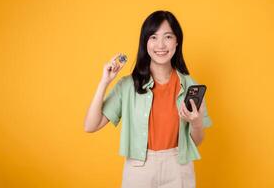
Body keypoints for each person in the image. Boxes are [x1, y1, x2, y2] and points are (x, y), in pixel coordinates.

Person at [84, 10, 212, 188]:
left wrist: (196, 122)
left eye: (168, 37)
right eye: (153, 37)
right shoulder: (127, 85)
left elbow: (196, 141)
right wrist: (104, 82)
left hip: (178, 167)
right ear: (145, 42)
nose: (161, 44)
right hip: (139, 169)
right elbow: (91, 125)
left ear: (177, 41)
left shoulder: (191, 86)